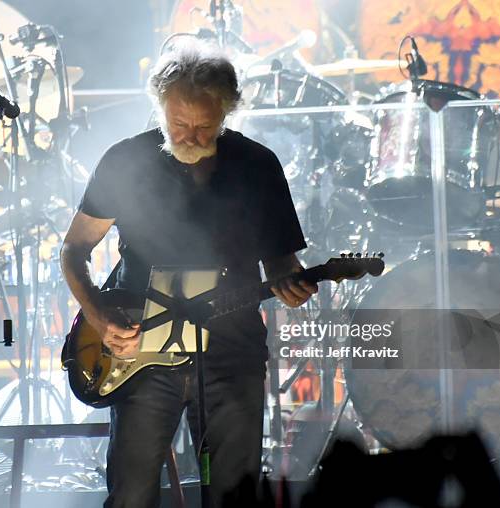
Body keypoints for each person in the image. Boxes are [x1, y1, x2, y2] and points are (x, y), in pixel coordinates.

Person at [60, 41, 317, 508]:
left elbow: (281, 264)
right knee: (132, 494)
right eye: (179, 124)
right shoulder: (125, 160)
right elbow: (74, 249)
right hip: (141, 355)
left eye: (206, 126)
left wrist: (293, 285)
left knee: (233, 495)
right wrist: (97, 315)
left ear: (228, 112)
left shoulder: (257, 166)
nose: (192, 138)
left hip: (232, 350)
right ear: (159, 106)